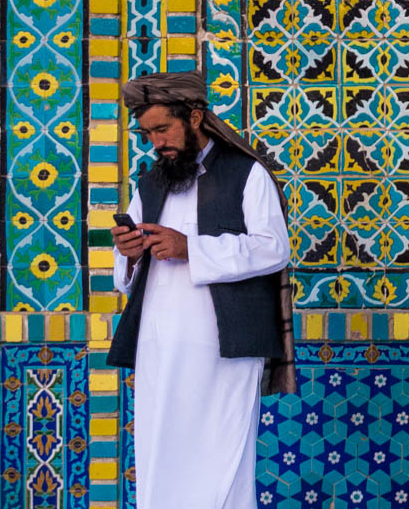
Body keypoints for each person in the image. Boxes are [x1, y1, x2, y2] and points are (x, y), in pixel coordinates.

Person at [108, 71, 296, 509]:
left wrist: (191, 248)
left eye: (162, 129)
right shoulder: (151, 182)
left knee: (220, 456)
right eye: (147, 133)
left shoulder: (247, 173)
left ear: (194, 118)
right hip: (160, 346)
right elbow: (126, 276)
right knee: (160, 452)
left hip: (223, 347)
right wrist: (131, 252)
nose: (155, 142)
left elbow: (275, 249)